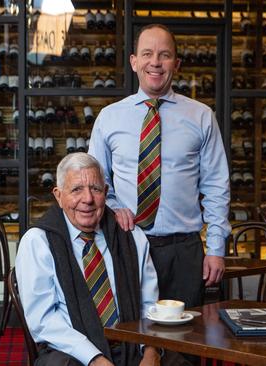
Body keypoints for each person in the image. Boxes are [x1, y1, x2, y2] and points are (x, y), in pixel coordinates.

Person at [88, 24, 231, 307]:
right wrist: (115, 207)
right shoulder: (109, 118)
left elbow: (217, 186)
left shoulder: (202, 116)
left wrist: (216, 248)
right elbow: (96, 181)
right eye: (147, 53)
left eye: (164, 55)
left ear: (176, 64)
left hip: (184, 251)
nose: (155, 62)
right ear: (134, 62)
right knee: (132, 336)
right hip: (129, 244)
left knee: (185, 340)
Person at [15, 153, 162, 366]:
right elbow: (43, 320)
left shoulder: (131, 236)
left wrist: (150, 350)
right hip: (72, 352)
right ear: (58, 195)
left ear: (106, 192)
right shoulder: (38, 241)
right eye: (76, 190)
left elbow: (150, 305)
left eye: (95, 189)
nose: (88, 199)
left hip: (132, 346)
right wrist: (94, 359)